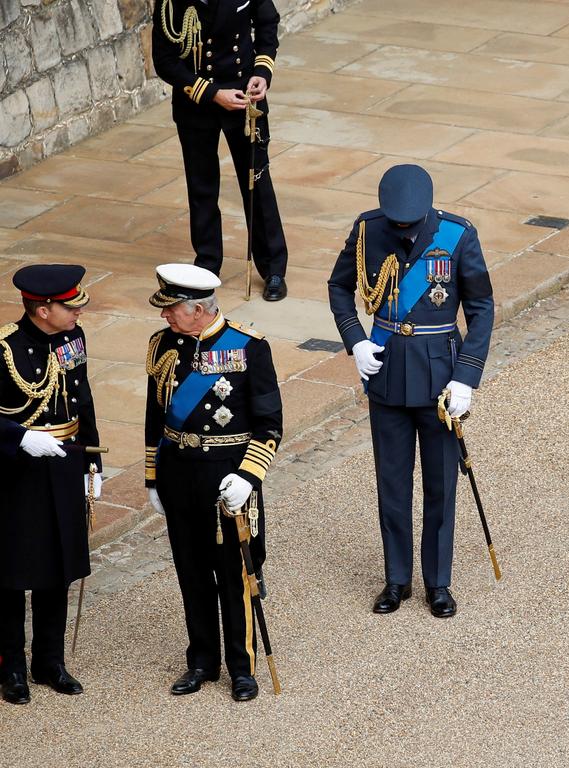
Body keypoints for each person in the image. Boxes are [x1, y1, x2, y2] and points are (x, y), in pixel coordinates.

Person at [328, 164, 494, 618]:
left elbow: (480, 307)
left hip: (440, 377)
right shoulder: (366, 229)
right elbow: (339, 287)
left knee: (441, 485)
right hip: (386, 374)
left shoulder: (457, 236)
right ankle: (396, 578)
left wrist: (467, 376)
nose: (400, 229)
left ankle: (438, 581)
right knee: (393, 485)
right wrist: (355, 339)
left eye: (408, 221)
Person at [145, 263, 283, 701]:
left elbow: (269, 425)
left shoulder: (249, 347)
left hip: (227, 479)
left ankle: (242, 667)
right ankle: (202, 660)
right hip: (179, 475)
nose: (166, 316)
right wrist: (152, 477)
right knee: (191, 570)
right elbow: (155, 416)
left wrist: (248, 476)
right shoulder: (161, 345)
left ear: (199, 309)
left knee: (234, 573)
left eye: (173, 309)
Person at [0, 265, 102, 705]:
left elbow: (83, 397)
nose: (79, 311)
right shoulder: (3, 348)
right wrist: (20, 437)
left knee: (58, 567)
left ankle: (49, 661)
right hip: (16, 474)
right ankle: (12, 668)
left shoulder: (71, 339)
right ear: (43, 310)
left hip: (63, 464)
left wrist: (92, 463)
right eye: (70, 306)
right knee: (11, 574)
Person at [151, 0, 289, 301]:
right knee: (202, 188)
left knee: (256, 183)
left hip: (244, 97)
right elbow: (165, 61)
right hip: (197, 103)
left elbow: (267, 22)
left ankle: (273, 268)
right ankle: (207, 266)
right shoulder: (171, 2)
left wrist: (262, 72)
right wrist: (212, 94)